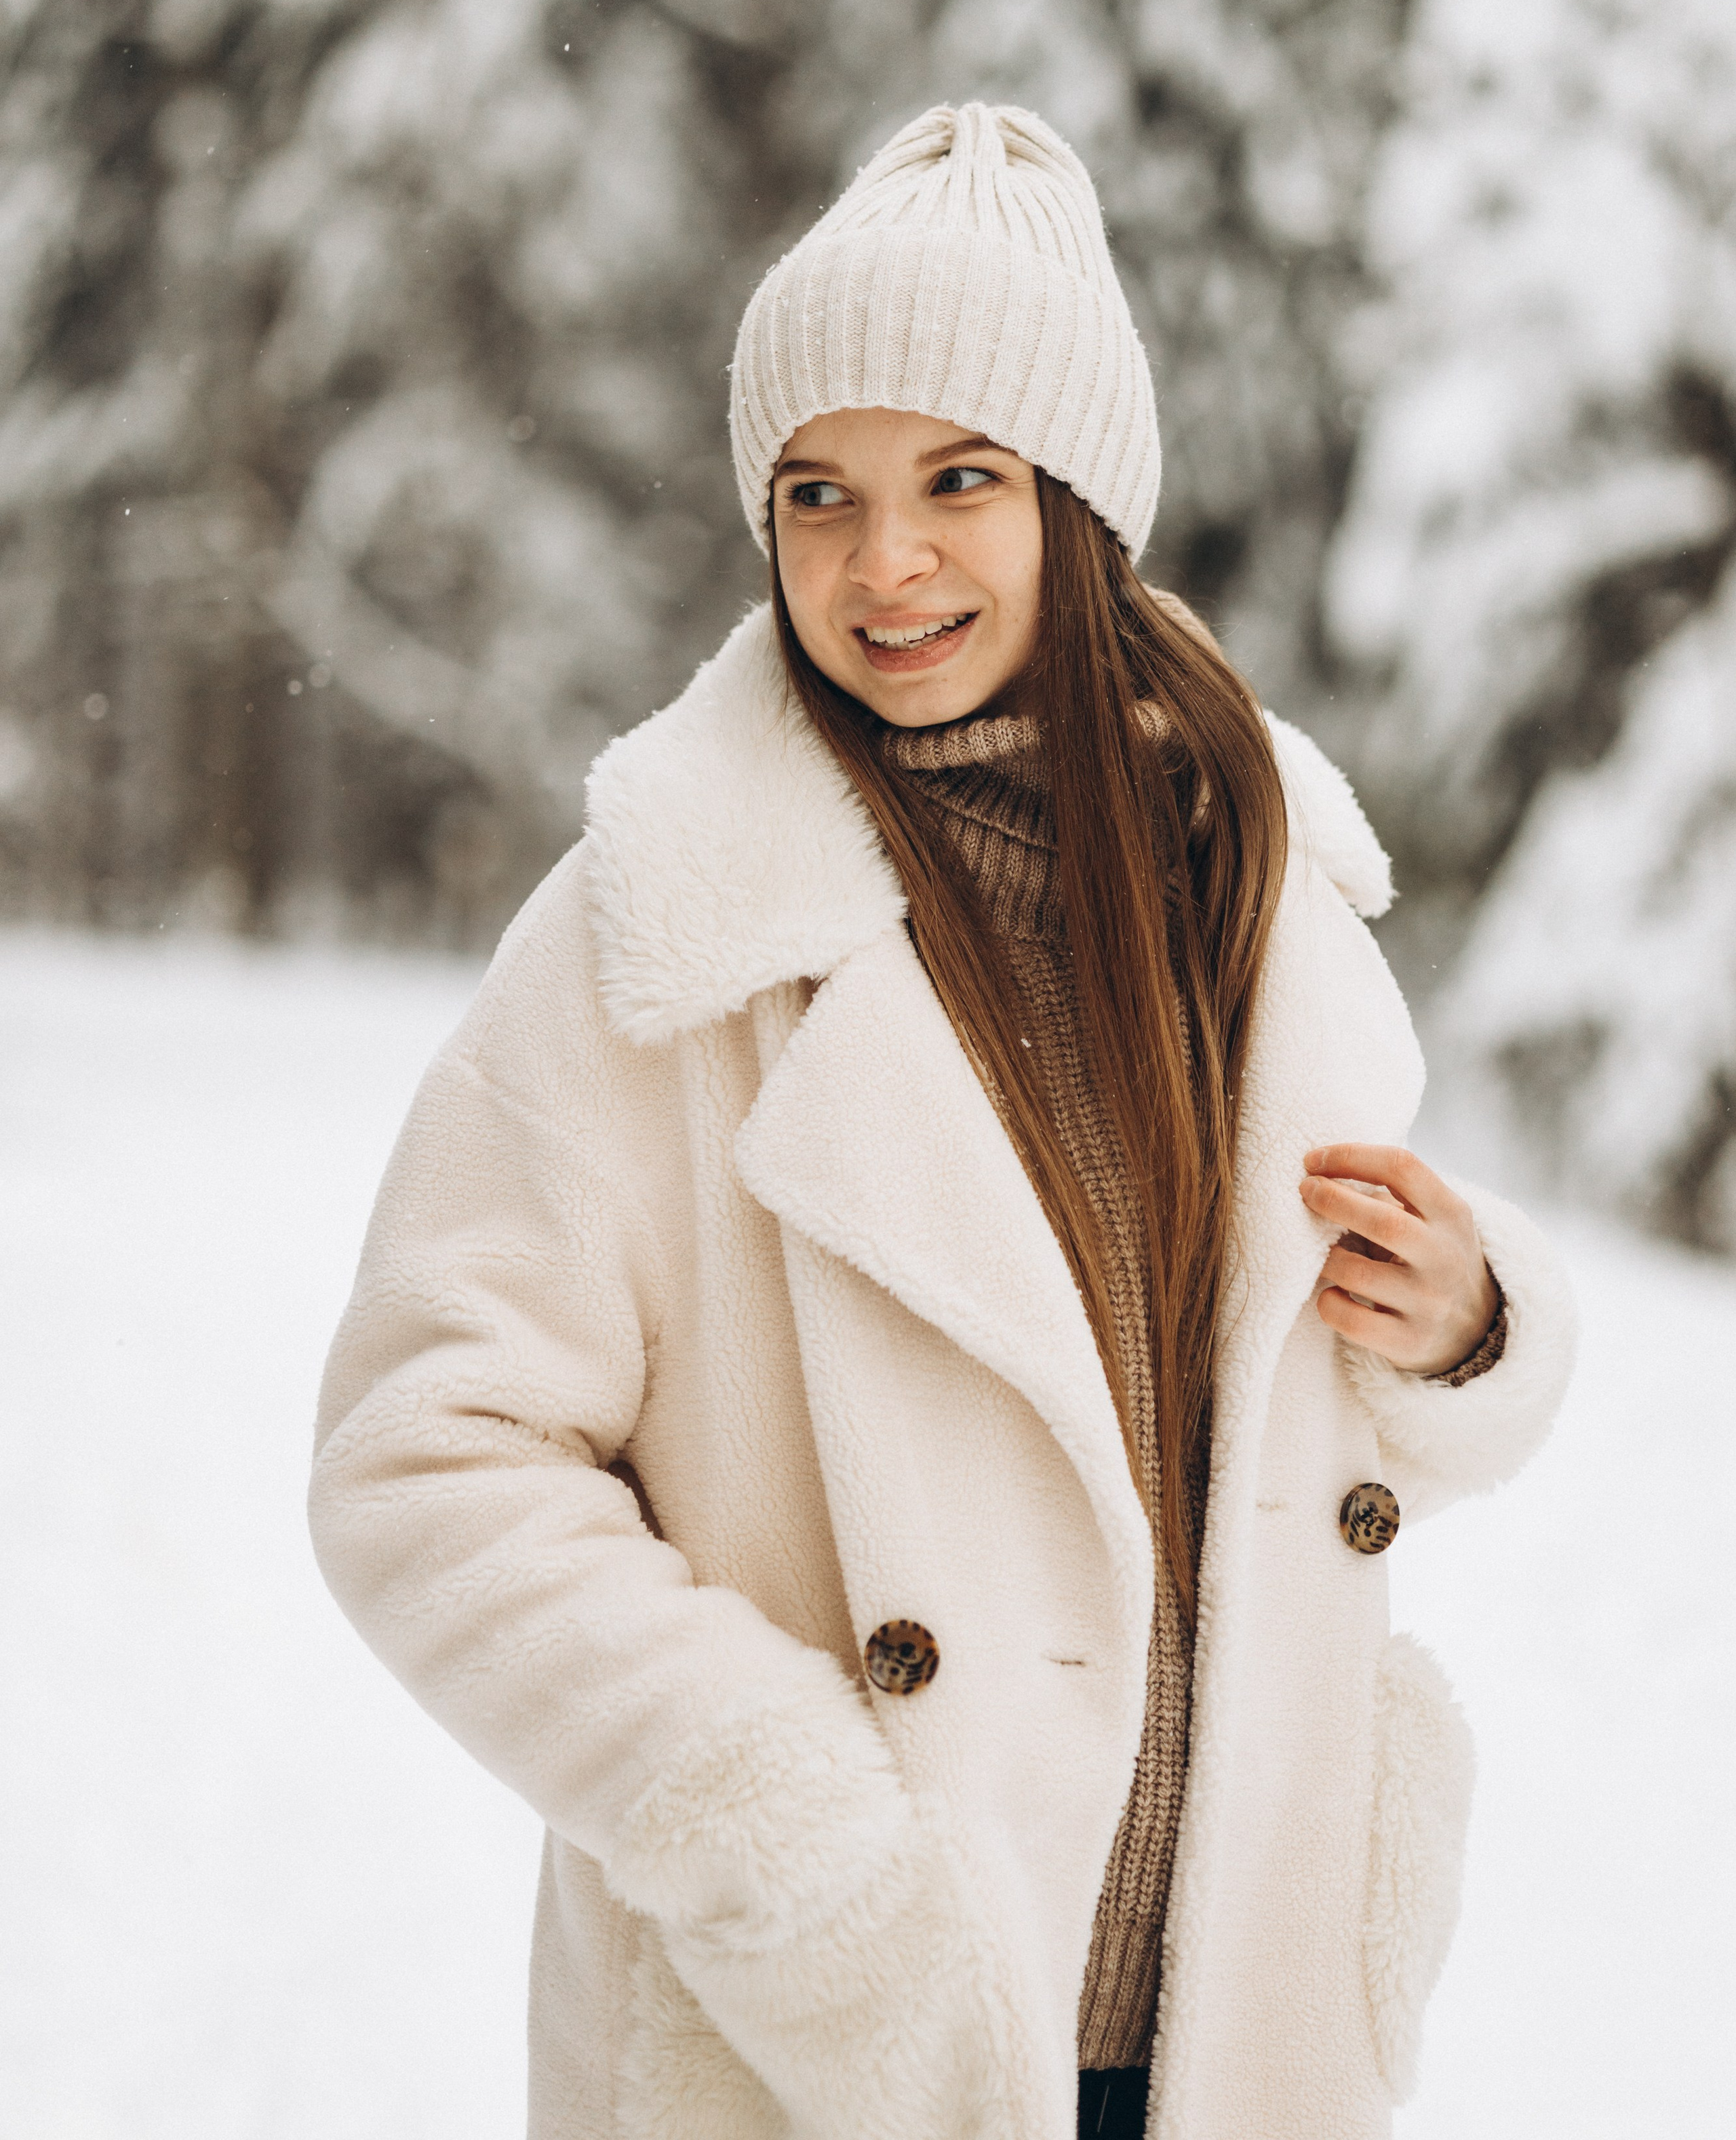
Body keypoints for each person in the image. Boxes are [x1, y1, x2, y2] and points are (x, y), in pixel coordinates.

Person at [309, 103, 1575, 2140]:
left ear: (1080, 503)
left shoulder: (1247, 876)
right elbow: (419, 1461)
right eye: (819, 494)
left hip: (1235, 2004)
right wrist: (791, 1842)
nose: (882, 563)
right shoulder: (670, 921)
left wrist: (1471, 1324)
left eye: (957, 480)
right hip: (841, 2042)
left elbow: (1282, 1381)